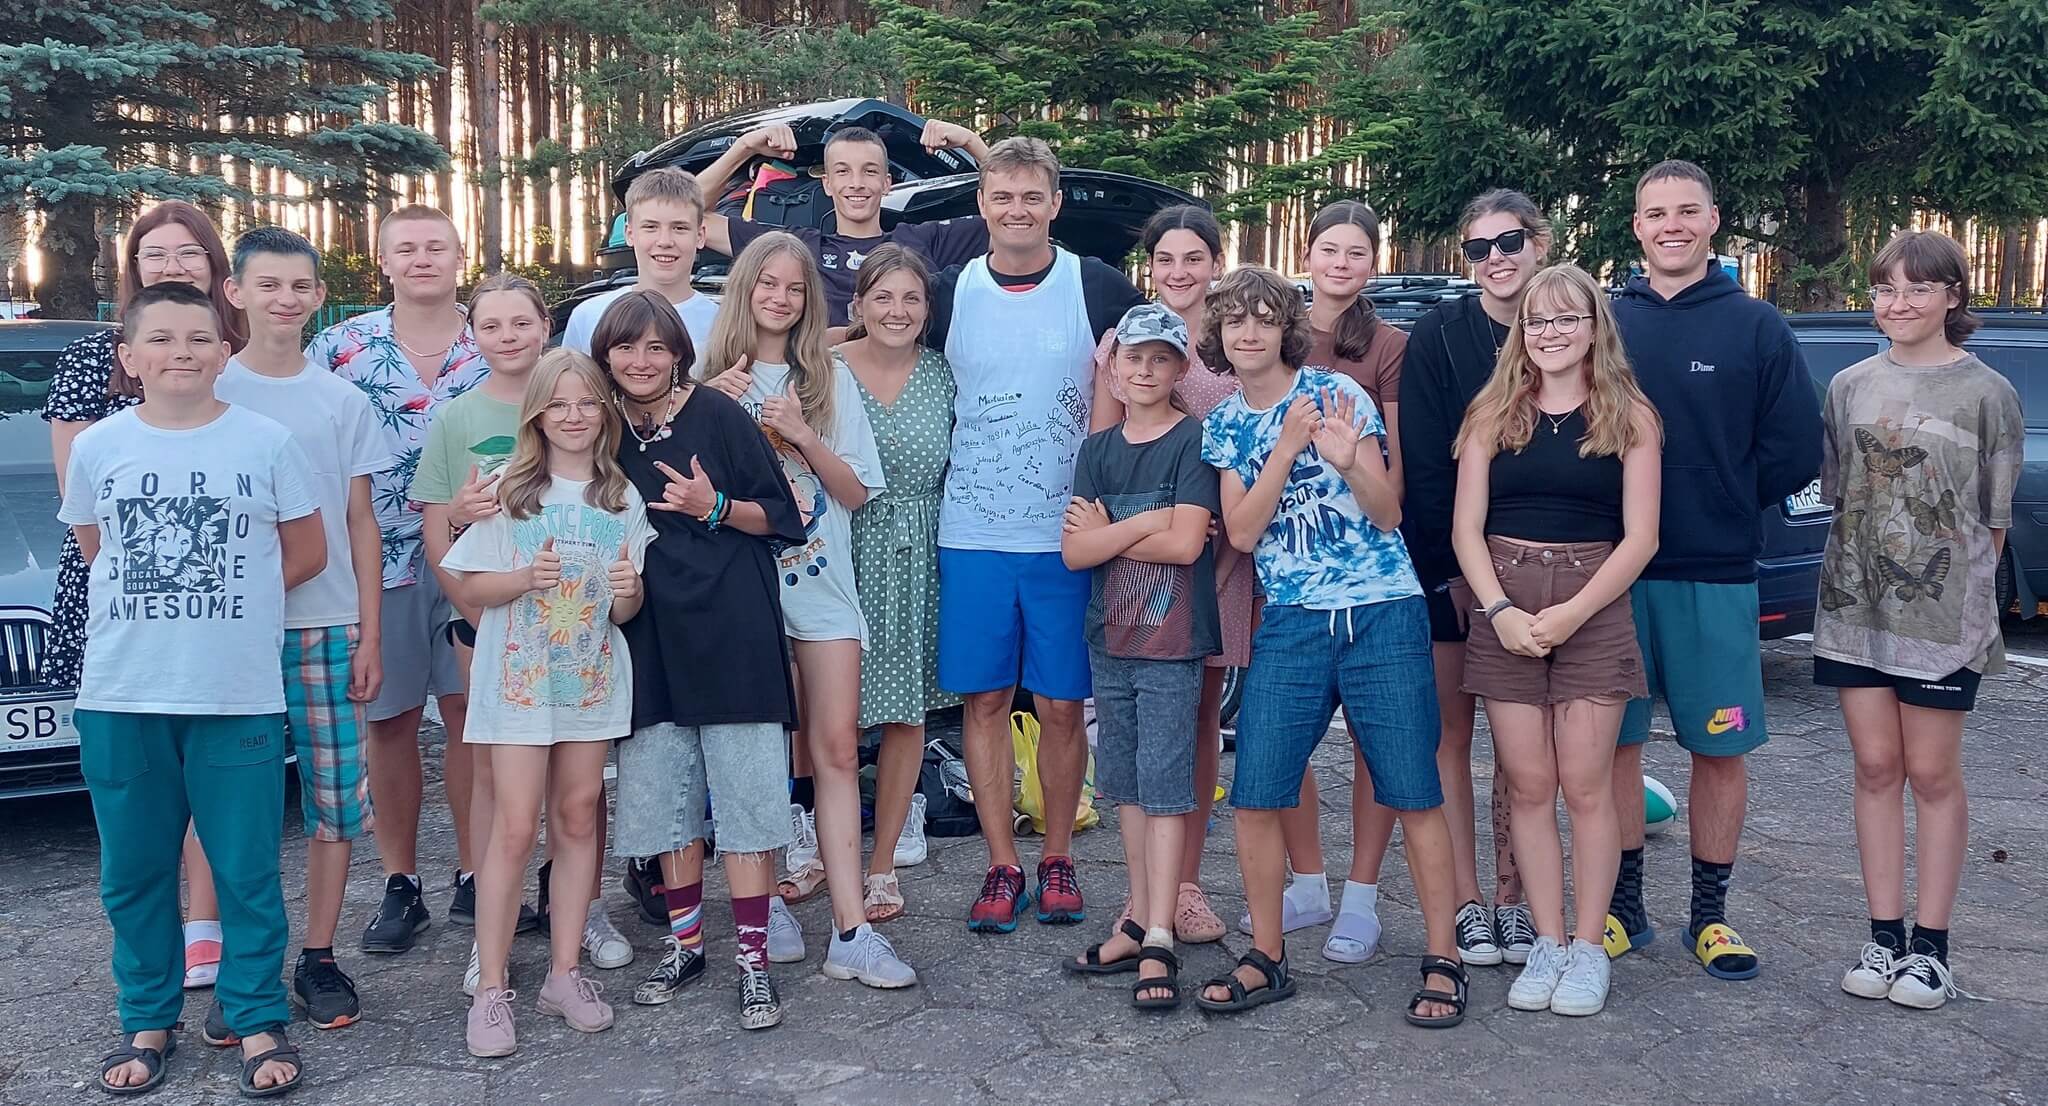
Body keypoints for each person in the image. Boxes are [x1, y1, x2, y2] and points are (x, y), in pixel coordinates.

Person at [62, 282, 320, 1096]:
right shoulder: (99, 446)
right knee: (133, 872)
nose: (182, 352)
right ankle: (147, 1017)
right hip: (123, 694)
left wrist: (232, 605)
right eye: (163, 338)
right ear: (129, 357)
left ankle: (254, 1016)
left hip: (234, 693)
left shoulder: (267, 443)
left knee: (246, 869)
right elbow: (96, 547)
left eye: (200, 338)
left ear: (224, 350)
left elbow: (306, 551)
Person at [1195, 266, 1466, 1027]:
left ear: (1287, 328)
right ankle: (1266, 957)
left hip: (1382, 611)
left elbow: (1387, 514)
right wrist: (1286, 448)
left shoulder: (1339, 393)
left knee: (1413, 788)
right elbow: (1241, 532)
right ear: (1219, 335)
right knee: (1257, 789)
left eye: (1263, 318)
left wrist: (1348, 461)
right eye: (1234, 320)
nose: (1249, 332)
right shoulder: (1225, 423)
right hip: (1292, 620)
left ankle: (1443, 957)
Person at [923, 136, 1145, 932]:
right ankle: (1000, 864)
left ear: (1055, 204)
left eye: (1031, 197)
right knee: (984, 701)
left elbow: (1163, 366)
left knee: (1059, 705)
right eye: (1002, 197)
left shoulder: (1096, 285)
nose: (1016, 210)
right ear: (981, 205)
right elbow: (872, 342)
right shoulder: (948, 292)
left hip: (1067, 537)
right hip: (973, 533)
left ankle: (1057, 858)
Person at [1609, 160, 1821, 980]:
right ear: (1637, 226)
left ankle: (1710, 916)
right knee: (1614, 747)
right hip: (1611, 578)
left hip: (1716, 573)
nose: (1672, 225)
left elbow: (1795, 449)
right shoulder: (1605, 321)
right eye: (1656, 212)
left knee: (1720, 749)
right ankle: (1623, 910)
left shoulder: (1757, 325)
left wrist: (1725, 498)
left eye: (1686, 211)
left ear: (1712, 220)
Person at [702, 233, 916, 989]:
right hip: (742, 593)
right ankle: (766, 909)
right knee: (758, 758)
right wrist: (709, 409)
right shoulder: (705, 379)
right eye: (768, 283)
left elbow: (855, 491)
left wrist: (797, 432)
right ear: (744, 288)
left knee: (835, 752)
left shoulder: (830, 378)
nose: (781, 298)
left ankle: (851, 929)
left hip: (823, 589)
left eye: (795, 287)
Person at [1452, 263, 1663, 1017]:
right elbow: (1465, 530)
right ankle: (1545, 941)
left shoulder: (1630, 416)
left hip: (1593, 604)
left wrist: (1573, 613)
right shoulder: (1491, 413)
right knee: (1530, 785)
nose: (1550, 333)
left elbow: (1641, 538)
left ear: (1595, 326)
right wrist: (1499, 609)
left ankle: (1586, 946)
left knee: (1586, 786)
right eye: (1537, 320)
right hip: (1504, 602)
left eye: (1567, 318)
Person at [1818, 231, 2021, 1011]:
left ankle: (1931, 950)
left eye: (1917, 288)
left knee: (1932, 775)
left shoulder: (1988, 393)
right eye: (1885, 290)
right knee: (1875, 767)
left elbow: (1992, 524)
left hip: (1941, 622)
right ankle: (1883, 936)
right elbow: (1846, 498)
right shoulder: (1848, 386)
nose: (1898, 304)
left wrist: (1965, 609)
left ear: (1952, 295)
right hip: (1854, 611)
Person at [45, 199, 243, 991]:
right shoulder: (94, 359)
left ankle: (206, 925)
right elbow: (83, 505)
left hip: (214, 594)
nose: (172, 265)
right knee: (143, 782)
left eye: (189, 253)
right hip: (120, 592)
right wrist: (145, 574)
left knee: (209, 768)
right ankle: (149, 944)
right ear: (132, 267)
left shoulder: (226, 350)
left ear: (213, 266)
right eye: (155, 254)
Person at [597, 290, 807, 1030]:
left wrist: (712, 506)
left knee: (747, 802)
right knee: (666, 799)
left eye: (656, 347)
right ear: (605, 356)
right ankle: (686, 947)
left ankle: (753, 961)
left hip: (734, 628)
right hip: (648, 635)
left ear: (679, 354)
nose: (641, 361)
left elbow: (783, 516)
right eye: (626, 347)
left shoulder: (718, 415)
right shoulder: (601, 427)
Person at [447, 350, 653, 1057]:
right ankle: (492, 985)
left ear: (606, 411)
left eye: (587, 403)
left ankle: (564, 974)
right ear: (537, 413)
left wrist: (629, 591)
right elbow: (470, 586)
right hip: (519, 685)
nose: (574, 416)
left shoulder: (621, 498)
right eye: (559, 404)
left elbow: (625, 611)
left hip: (589, 681)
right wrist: (520, 579)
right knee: (513, 828)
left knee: (576, 815)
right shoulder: (509, 490)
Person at [214, 227, 392, 1032]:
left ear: (320, 297)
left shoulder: (342, 400)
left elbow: (360, 521)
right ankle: (244, 967)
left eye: (299, 286)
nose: (284, 300)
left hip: (327, 625)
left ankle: (318, 956)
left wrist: (370, 632)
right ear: (236, 293)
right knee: (236, 806)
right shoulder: (213, 387)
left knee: (335, 800)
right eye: (267, 284)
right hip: (234, 633)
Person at [304, 204, 491, 955]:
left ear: (459, 256)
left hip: (481, 553)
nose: (421, 259)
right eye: (405, 248)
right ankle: (401, 882)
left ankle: (478, 873)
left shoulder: (496, 337)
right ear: (382, 261)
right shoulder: (341, 348)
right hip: (378, 559)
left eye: (435, 246)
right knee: (390, 720)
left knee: (473, 714)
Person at [414, 275, 599, 991]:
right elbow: (441, 527)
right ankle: (490, 917)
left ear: (545, 325)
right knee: (495, 775)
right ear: (473, 335)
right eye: (490, 326)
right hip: (490, 621)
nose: (508, 337)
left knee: (577, 786)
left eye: (521, 322)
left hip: (573, 635)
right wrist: (473, 607)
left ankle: (575, 912)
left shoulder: (579, 401)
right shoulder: (458, 416)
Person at [1261, 200, 1416, 964]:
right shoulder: (1270, 326)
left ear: (1373, 264)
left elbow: (1392, 474)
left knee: (1368, 739)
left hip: (1362, 571)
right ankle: (1308, 880)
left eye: (1357, 252)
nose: (1341, 264)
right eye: (1329, 249)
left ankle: (1362, 896)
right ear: (1307, 254)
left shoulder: (1387, 346)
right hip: (1283, 566)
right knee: (1281, 734)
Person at [1399, 189, 1550, 965]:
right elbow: (1427, 469)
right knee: (1450, 738)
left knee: (1527, 751)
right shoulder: (1440, 335)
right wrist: (1451, 576)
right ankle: (1464, 901)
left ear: (1540, 244)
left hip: (1551, 570)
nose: (1495, 258)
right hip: (1453, 572)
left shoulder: (1570, 324)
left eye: (1509, 241)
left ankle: (1514, 899)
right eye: (1478, 247)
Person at [1087, 204, 1245, 945]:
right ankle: (1145, 894)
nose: (1179, 272)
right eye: (1165, 259)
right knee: (1148, 729)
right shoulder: (1121, 343)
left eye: (1193, 258)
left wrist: (1200, 527)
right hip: (1140, 564)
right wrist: (1144, 525)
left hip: (1222, 553)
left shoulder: (1230, 339)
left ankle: (1184, 884)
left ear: (1215, 263)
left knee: (1199, 717)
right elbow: (1102, 452)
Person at [1060, 303, 1221, 1011]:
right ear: (1115, 370)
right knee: (1124, 787)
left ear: (1180, 368)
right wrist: (1152, 520)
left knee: (1165, 788)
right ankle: (1135, 918)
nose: (1146, 370)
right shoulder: (1097, 450)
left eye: (1161, 358)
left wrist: (1117, 529)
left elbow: (1187, 546)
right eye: (1135, 358)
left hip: (1171, 644)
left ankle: (1160, 932)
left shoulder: (1191, 441)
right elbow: (1075, 552)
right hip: (1111, 640)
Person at [839, 244, 961, 923]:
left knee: (904, 713)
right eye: (883, 297)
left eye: (911, 298)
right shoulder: (826, 369)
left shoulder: (942, 373)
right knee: (827, 717)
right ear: (858, 305)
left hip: (919, 554)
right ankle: (815, 850)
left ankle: (882, 863)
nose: (897, 310)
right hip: (842, 547)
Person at [695, 119, 992, 325]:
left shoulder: (925, 241)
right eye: (843, 171)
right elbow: (691, 214)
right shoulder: (798, 248)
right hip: (824, 391)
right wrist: (745, 147)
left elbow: (1014, 217)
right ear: (827, 184)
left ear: (887, 183)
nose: (856, 183)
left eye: (869, 171)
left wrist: (972, 143)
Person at [560, 168, 720, 367]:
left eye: (679, 228)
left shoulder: (723, 324)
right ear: (630, 234)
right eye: (650, 227)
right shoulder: (589, 316)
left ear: (700, 236)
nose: (664, 241)